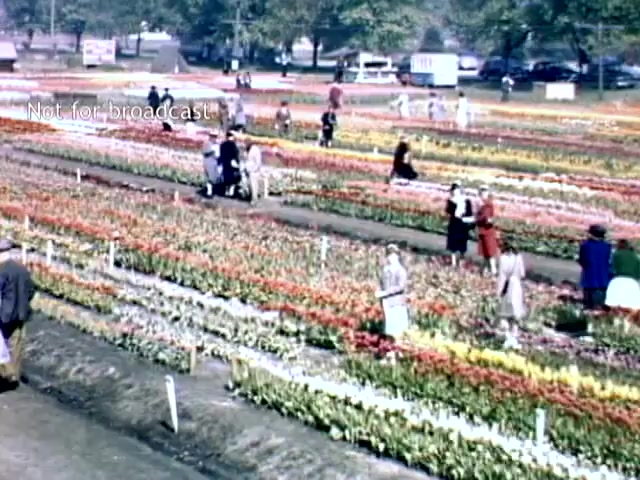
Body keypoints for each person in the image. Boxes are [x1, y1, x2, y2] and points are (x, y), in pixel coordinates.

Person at [0, 240, 35, 392]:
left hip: (3, 314)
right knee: (16, 344)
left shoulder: (1, 271)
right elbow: (31, 290)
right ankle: (14, 376)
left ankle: (6, 375)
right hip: (21, 313)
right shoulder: (22, 269)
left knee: (3, 346)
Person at [375, 244, 409, 341]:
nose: (390, 258)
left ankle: (397, 348)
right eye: (388, 256)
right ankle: (389, 348)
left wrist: (385, 293)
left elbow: (400, 287)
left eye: (393, 256)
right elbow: (382, 283)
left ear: (397, 257)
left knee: (397, 329)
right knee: (388, 327)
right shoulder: (386, 270)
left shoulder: (400, 270)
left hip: (396, 303)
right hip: (387, 303)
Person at [496, 238, 526, 348]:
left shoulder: (503, 258)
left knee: (504, 314)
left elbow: (502, 277)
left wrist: (498, 292)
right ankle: (514, 337)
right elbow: (522, 274)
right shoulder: (519, 257)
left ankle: (507, 337)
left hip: (507, 287)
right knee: (515, 314)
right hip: (517, 286)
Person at [578, 224, 612, 310]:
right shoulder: (607, 246)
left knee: (589, 305)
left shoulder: (585, 245)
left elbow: (582, 260)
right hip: (604, 278)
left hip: (589, 278)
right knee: (600, 304)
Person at [605, 239, 640, 310]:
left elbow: (611, 269)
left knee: (614, 308)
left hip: (617, 282)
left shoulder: (616, 254)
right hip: (632, 283)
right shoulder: (636, 257)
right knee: (632, 309)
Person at [445, 183, 474, 267]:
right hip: (455, 224)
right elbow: (448, 211)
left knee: (461, 245)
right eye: (453, 190)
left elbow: (469, 213)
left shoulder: (466, 200)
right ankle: (454, 263)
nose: (454, 192)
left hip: (461, 225)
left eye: (455, 190)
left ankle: (459, 263)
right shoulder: (451, 201)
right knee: (454, 245)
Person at [476, 186, 499, 275]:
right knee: (485, 252)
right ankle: (484, 270)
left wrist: (487, 220)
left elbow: (489, 217)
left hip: (488, 231)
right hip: (483, 231)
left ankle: (492, 270)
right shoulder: (481, 205)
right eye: (481, 193)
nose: (483, 195)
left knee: (490, 252)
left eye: (485, 193)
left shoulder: (488, 205)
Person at [219, 131, 242, 196]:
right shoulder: (233, 145)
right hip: (232, 164)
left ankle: (226, 191)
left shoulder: (222, 144)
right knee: (233, 178)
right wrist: (238, 162)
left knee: (226, 177)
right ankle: (231, 192)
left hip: (225, 163)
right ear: (231, 137)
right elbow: (236, 155)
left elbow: (221, 154)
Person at [202, 130, 221, 196]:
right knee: (209, 178)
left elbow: (218, 154)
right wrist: (212, 152)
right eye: (213, 136)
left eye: (215, 136)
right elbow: (205, 152)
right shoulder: (207, 143)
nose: (214, 138)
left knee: (214, 178)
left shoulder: (217, 144)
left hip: (215, 162)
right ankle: (209, 191)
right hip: (208, 162)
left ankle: (212, 190)